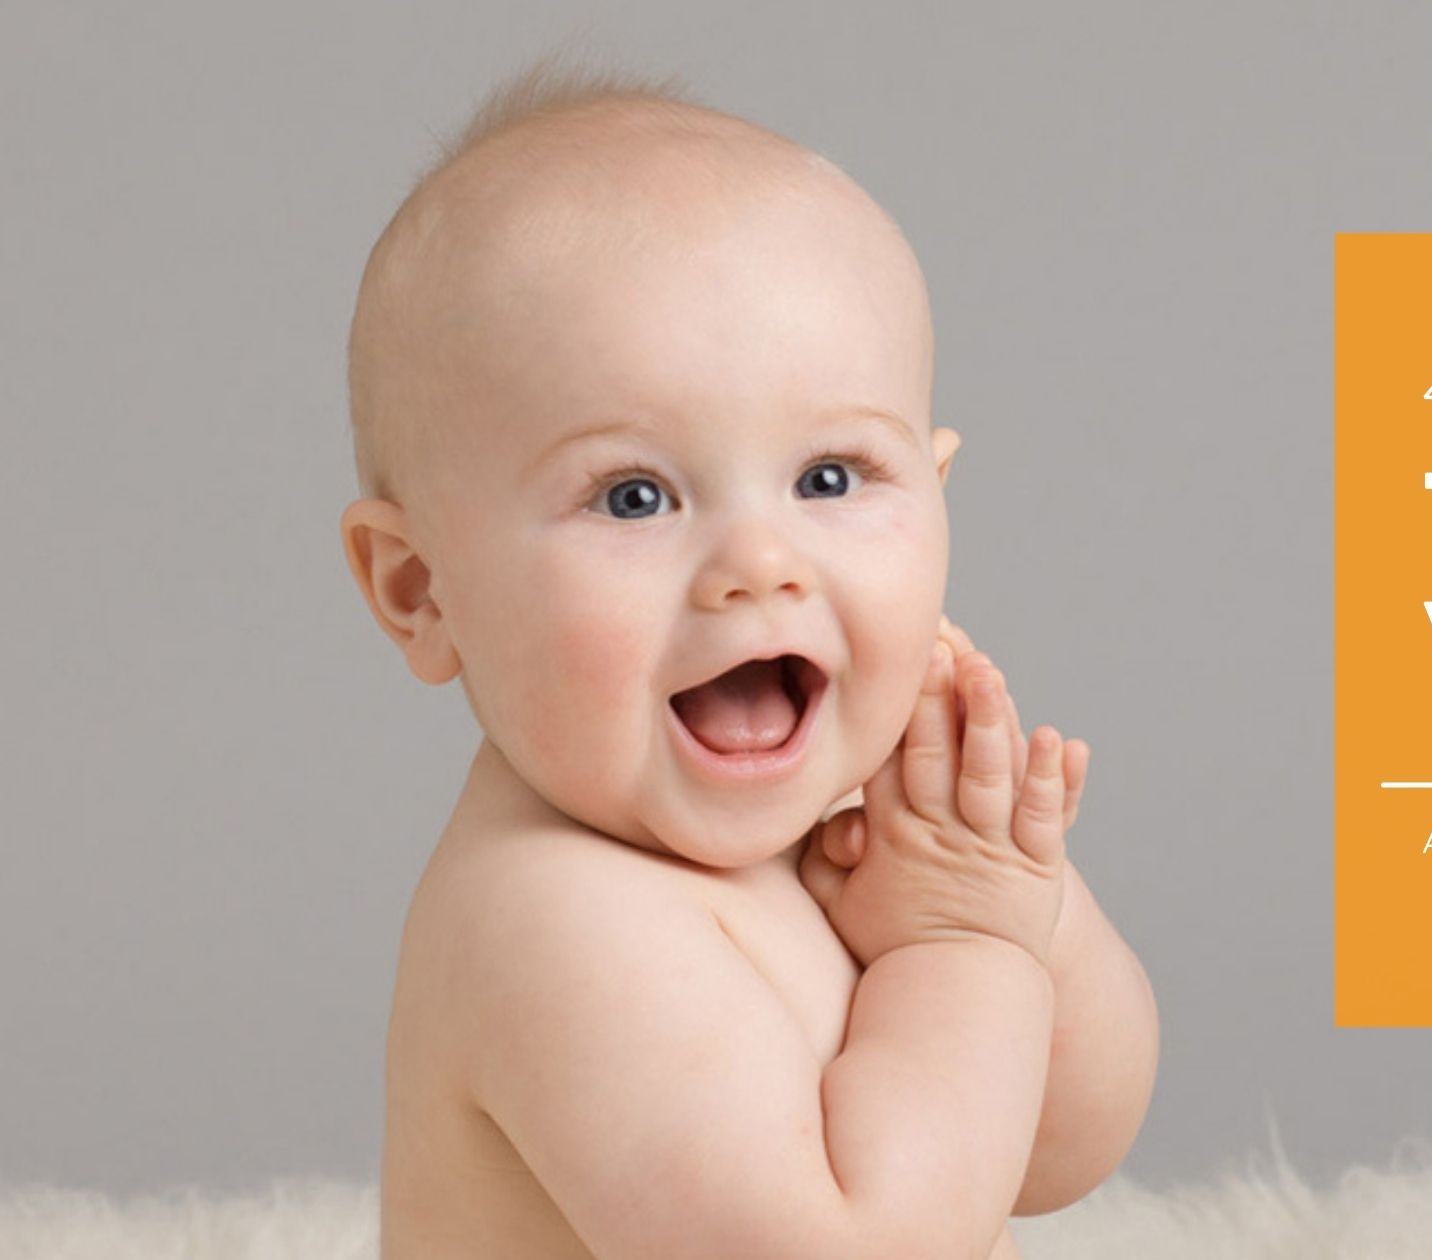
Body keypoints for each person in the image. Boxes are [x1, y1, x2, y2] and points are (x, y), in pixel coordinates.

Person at [338, 57, 1158, 1260]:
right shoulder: (554, 919)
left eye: (830, 478)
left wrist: (1016, 905)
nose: (758, 563)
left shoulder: (853, 829)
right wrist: (957, 948)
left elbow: (1057, 1149)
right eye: (632, 496)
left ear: (935, 498)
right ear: (422, 592)